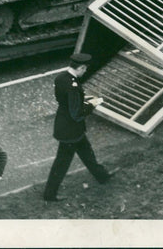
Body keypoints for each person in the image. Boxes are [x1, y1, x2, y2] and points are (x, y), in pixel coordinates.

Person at [43, 53, 115, 202]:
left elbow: (66, 101)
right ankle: (49, 195)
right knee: (61, 164)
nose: (85, 72)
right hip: (71, 131)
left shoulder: (61, 78)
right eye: (85, 69)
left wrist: (83, 99)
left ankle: (102, 176)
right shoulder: (73, 85)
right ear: (81, 68)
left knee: (87, 154)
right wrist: (92, 105)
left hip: (65, 126)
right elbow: (77, 113)